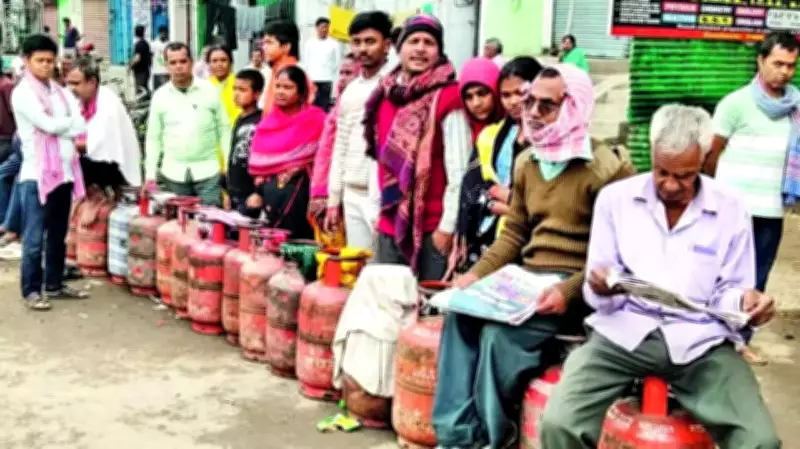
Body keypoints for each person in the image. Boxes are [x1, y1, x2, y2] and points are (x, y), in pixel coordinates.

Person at [539, 104, 780, 449]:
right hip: (622, 335)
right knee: (560, 423)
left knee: (760, 440)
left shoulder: (731, 207)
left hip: (701, 343)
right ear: (651, 155)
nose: (669, 185)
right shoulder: (616, 200)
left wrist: (747, 303)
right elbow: (599, 291)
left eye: (684, 175)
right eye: (661, 172)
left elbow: (729, 292)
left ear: (704, 160)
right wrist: (600, 287)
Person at [431, 64, 635, 449]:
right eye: (530, 104)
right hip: (526, 281)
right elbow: (514, 235)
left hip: (577, 287)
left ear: (574, 106)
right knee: (459, 315)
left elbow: (618, 255)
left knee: (499, 337)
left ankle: (493, 437)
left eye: (547, 106)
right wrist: (474, 276)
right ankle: (456, 435)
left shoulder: (609, 169)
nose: (534, 114)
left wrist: (568, 291)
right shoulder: (528, 162)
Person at [705, 31, 798, 365]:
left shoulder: (796, 107)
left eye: (791, 65)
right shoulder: (735, 104)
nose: (784, 72)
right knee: (719, 276)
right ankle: (709, 338)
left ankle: (740, 342)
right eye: (777, 63)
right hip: (732, 211)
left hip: (770, 212)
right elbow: (711, 155)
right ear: (760, 61)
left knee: (756, 281)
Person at [364, 14, 472, 280]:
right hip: (388, 222)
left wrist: (447, 228)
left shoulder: (449, 97)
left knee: (426, 301)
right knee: (387, 299)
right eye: (413, 41)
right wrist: (375, 211)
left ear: (439, 51)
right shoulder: (383, 95)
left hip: (433, 227)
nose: (421, 49)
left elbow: (459, 170)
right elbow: (377, 160)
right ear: (398, 48)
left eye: (429, 43)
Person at [12, 34, 90, 310]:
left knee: (58, 235)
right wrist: (64, 125)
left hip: (64, 173)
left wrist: (61, 125)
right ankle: (31, 290)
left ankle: (54, 285)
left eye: (49, 60)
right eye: (40, 60)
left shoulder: (59, 91)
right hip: (37, 176)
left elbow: (80, 123)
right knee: (34, 239)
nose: (46, 65)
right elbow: (47, 125)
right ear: (26, 60)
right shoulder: (23, 93)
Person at [453, 57, 542, 272]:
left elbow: (549, 198)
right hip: (487, 240)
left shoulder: (552, 141)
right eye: (506, 95)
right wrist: (495, 204)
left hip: (531, 243)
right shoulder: (490, 137)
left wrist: (509, 201)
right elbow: (473, 188)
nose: (513, 102)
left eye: (519, 93)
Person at [324, 11, 394, 251]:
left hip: (384, 196)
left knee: (384, 267)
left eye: (370, 41)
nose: (363, 48)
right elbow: (340, 146)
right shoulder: (351, 91)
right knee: (356, 266)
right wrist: (334, 199)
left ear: (387, 45)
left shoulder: (396, 85)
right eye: (357, 42)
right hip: (352, 193)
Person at [145, 42, 230, 206]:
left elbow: (224, 129)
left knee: (210, 219)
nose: (178, 67)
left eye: (183, 61)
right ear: (166, 66)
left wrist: (227, 164)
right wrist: (150, 174)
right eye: (173, 62)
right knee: (178, 220)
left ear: (191, 62)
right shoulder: (160, 96)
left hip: (208, 171)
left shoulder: (209, 90)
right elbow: (153, 138)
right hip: (173, 173)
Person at [247, 66, 325, 239]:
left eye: (288, 87)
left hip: (303, 197)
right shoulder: (267, 124)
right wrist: (258, 192)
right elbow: (259, 165)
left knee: (300, 244)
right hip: (271, 199)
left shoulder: (316, 119)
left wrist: (299, 167)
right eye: (278, 86)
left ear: (301, 92)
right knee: (273, 245)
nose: (280, 92)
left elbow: (325, 158)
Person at [66, 57, 142, 196]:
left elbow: (99, 145)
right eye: (69, 83)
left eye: (76, 83)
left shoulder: (107, 103)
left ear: (92, 82)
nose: (72, 88)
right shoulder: (80, 100)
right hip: (92, 161)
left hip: (110, 166)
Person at [308, 52, 359, 221]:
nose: (342, 79)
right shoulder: (337, 109)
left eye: (349, 73)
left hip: (352, 188)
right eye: (341, 73)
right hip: (331, 187)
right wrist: (320, 192)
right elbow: (326, 151)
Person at [225, 69, 264, 218]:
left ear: (257, 94)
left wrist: (259, 192)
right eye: (235, 89)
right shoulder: (239, 119)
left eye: (242, 90)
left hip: (251, 195)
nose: (236, 94)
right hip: (235, 192)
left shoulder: (261, 121)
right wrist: (228, 191)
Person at [261, 20, 306, 116]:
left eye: (269, 42)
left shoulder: (294, 73)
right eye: (263, 43)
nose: (264, 47)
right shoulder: (275, 69)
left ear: (286, 47)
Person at [303, 17, 340, 111]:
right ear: (316, 27)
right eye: (322, 27)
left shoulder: (334, 44)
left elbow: (337, 62)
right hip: (312, 79)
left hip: (327, 80)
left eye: (326, 27)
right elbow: (306, 61)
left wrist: (329, 73)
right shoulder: (309, 43)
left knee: (324, 106)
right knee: (312, 105)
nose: (324, 29)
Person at [130, 25, 152, 96]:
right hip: (146, 70)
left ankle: (142, 103)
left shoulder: (138, 45)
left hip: (140, 72)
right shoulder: (146, 44)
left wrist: (130, 66)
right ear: (143, 33)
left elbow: (137, 58)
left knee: (140, 91)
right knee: (145, 89)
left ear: (135, 33)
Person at [151, 26, 170, 90]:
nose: (163, 35)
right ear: (159, 33)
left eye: (165, 33)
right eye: (162, 33)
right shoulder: (153, 44)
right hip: (156, 71)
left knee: (166, 90)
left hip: (166, 71)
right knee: (157, 90)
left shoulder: (169, 44)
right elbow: (151, 55)